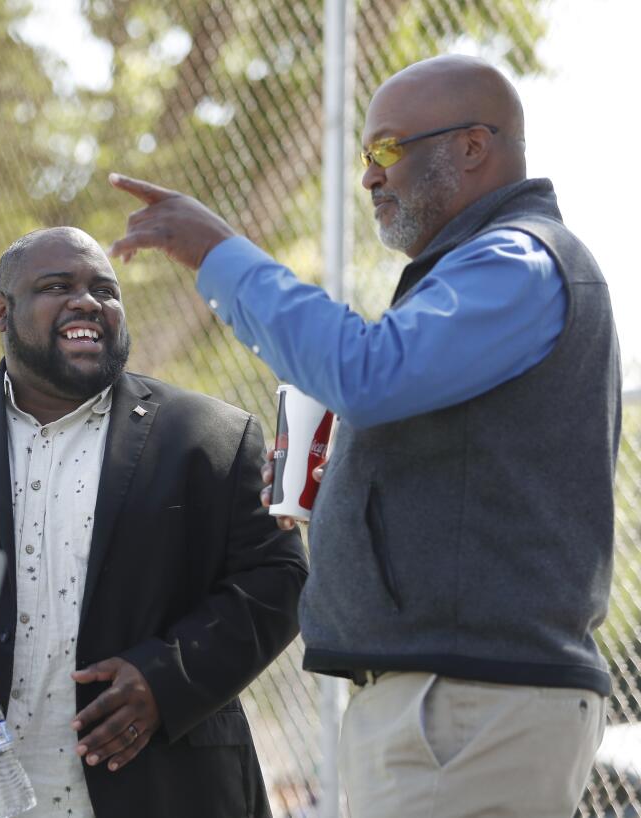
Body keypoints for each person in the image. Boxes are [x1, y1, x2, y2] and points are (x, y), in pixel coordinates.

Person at [106, 54, 620, 817]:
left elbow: (368, 373)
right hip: (449, 701)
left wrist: (218, 253)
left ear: (474, 147)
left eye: (387, 150)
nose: (370, 177)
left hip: (470, 705)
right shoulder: (483, 268)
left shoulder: (517, 261)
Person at [0, 226, 308, 818]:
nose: (87, 302)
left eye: (105, 289)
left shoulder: (210, 438)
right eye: (57, 286)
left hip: (163, 788)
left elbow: (276, 580)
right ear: (2, 311)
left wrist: (167, 677)